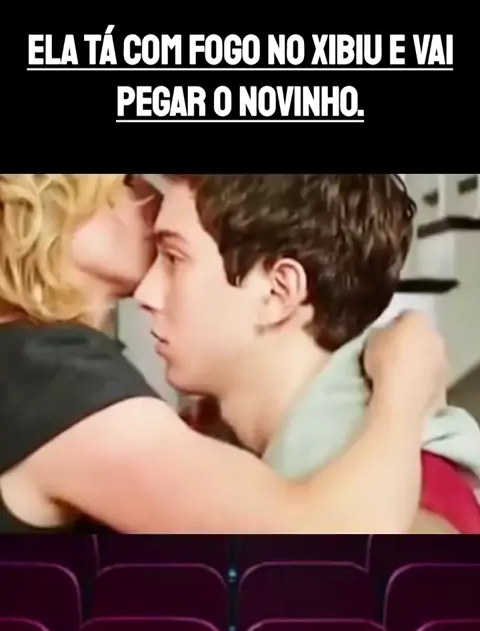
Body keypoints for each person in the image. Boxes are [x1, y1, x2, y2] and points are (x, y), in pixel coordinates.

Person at [0, 173, 445, 534]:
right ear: (47, 206)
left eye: (174, 257)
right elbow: (325, 542)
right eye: (126, 180)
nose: (150, 194)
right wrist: (406, 381)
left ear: (279, 292)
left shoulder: (50, 371)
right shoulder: (49, 376)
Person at [135, 173, 480, 533]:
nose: (145, 292)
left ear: (278, 292)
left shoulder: (413, 495)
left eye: (174, 258)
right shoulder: (199, 446)